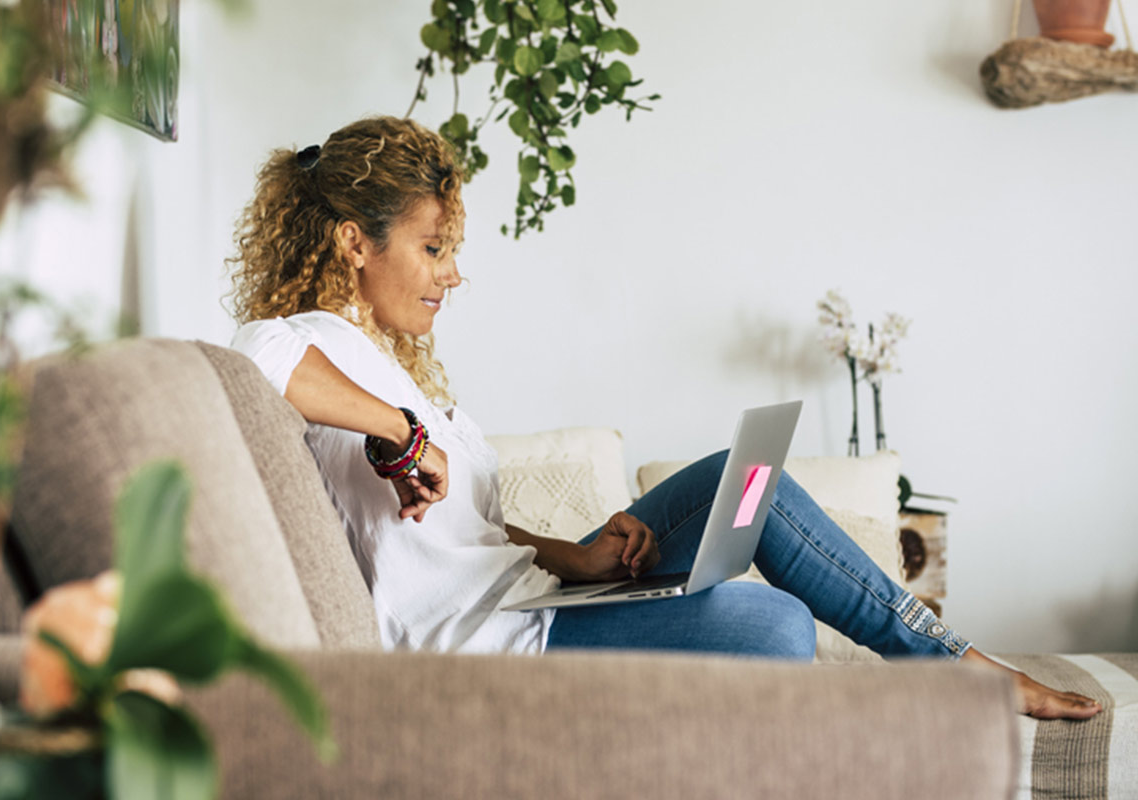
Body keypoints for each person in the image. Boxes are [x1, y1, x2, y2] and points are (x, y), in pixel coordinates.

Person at [227, 115, 1099, 720]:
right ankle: (964, 674)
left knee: (749, 476)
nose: (452, 273)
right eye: (434, 247)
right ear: (353, 243)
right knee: (778, 629)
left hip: (531, 594)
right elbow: (252, 366)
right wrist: (402, 429)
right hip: (489, 645)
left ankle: (961, 665)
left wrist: (577, 556)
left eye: (451, 249)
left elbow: (459, 533)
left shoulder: (383, 361)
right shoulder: (303, 340)